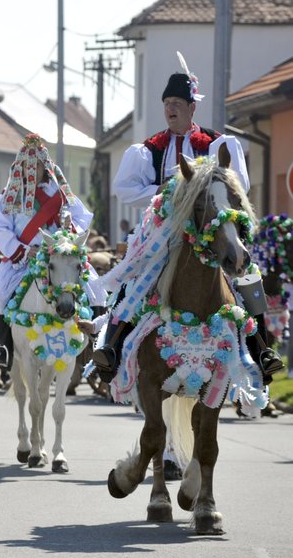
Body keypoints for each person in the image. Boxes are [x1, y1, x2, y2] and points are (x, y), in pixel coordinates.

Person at [93, 54, 281, 382]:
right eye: (167, 102)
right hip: (162, 229)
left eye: (177, 102)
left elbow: (240, 183)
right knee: (132, 277)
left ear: (192, 107)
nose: (170, 109)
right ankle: (111, 347)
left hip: (208, 226)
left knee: (245, 272)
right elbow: (124, 188)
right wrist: (167, 190)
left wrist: (201, 192)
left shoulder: (217, 143)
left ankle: (261, 350)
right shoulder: (148, 149)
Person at [0, 134, 104, 370]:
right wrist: (23, 250)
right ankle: (4, 349)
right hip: (23, 260)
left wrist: (69, 230)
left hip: (60, 259)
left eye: (35, 165)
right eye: (26, 165)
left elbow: (83, 219)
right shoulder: (9, 197)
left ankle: (98, 347)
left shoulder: (61, 195)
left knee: (97, 287)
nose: (31, 169)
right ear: (19, 167)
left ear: (45, 167)